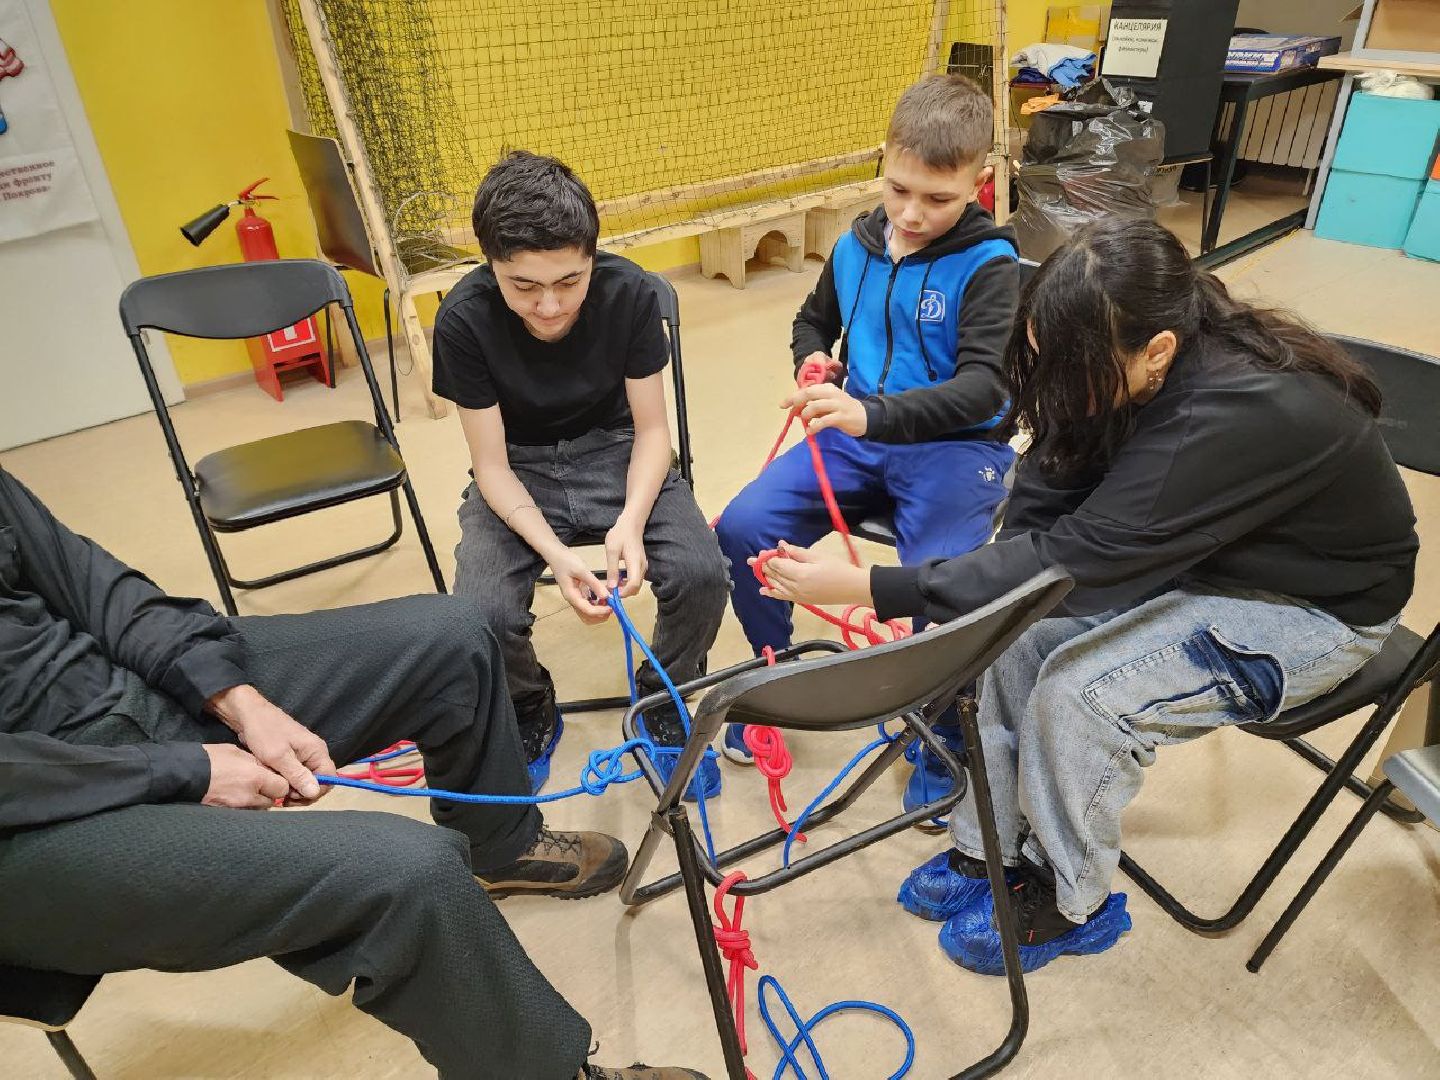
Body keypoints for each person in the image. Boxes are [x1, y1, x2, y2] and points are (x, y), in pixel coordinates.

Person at [755, 219, 1418, 974]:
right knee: (1015, 639)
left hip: (1314, 606)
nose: (1055, 384)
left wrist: (878, 585)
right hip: (1203, 552)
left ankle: (1072, 899)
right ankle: (989, 853)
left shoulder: (1234, 407)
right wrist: (986, 587)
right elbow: (1052, 483)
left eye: (1069, 368)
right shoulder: (1145, 340)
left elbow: (1077, 556)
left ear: (1155, 354)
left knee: (1080, 695)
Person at [0, 465, 707, 1079]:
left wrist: (235, 699)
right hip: (37, 819)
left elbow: (103, 592)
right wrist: (179, 770)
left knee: (453, 634)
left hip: (122, 696)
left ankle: (501, 845)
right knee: (408, 874)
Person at [713, 74, 1018, 812]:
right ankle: (774, 670)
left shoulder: (990, 267)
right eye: (897, 188)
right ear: (883, 161)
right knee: (744, 525)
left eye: (937, 199)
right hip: (857, 434)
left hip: (956, 450)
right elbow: (812, 322)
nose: (910, 215)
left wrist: (870, 417)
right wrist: (812, 362)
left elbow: (985, 390)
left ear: (980, 181)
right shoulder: (857, 244)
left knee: (944, 583)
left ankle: (941, 731)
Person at [432, 151, 729, 799]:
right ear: (489, 266)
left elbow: (654, 432)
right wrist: (559, 556)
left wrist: (628, 522)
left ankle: (661, 698)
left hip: (616, 451)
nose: (546, 306)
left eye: (568, 281)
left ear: (594, 256)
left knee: (704, 572)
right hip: (519, 466)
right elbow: (490, 464)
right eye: (522, 285)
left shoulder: (630, 295)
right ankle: (530, 703)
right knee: (478, 610)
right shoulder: (462, 320)